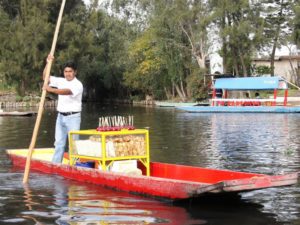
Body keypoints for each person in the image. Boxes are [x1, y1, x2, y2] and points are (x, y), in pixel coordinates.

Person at [43, 55, 83, 163]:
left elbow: (66, 92)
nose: (68, 74)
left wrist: (51, 89)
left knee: (73, 144)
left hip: (73, 117)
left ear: (75, 72)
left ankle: (74, 166)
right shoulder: (61, 81)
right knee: (59, 143)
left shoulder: (78, 84)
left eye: (70, 71)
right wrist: (48, 63)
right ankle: (56, 165)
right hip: (60, 117)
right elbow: (45, 77)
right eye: (66, 71)